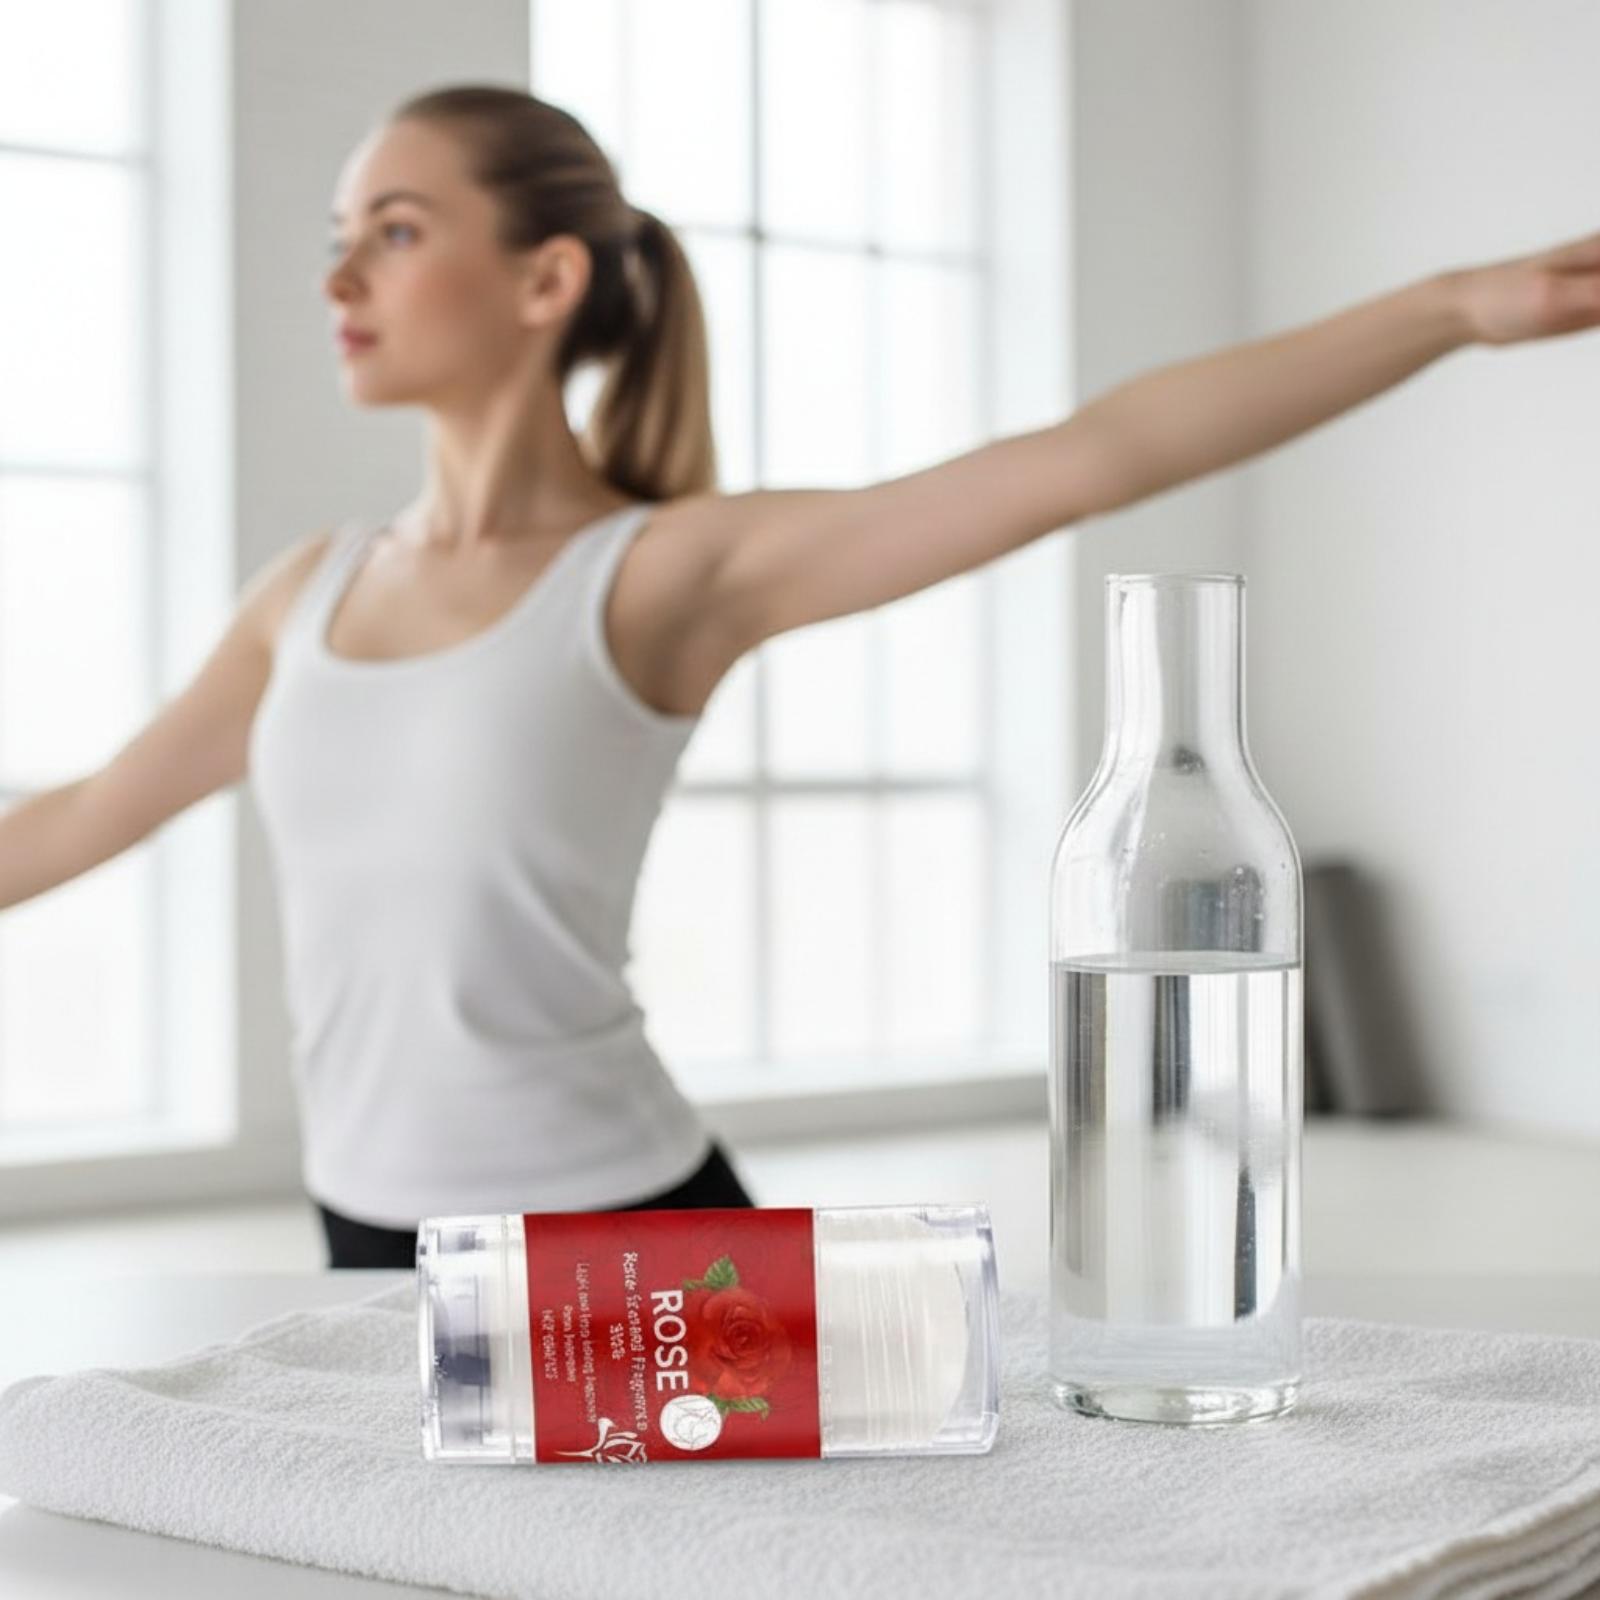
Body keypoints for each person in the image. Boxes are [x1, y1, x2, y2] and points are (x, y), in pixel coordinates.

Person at [1, 86, 1596, 1270]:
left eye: (396, 233)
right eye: (338, 241)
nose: (340, 278)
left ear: (546, 281)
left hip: (626, 1226)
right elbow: (78, 817)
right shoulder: (309, 591)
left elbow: (1089, 456)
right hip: (363, 1228)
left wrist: (1449, 311)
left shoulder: (663, 574)